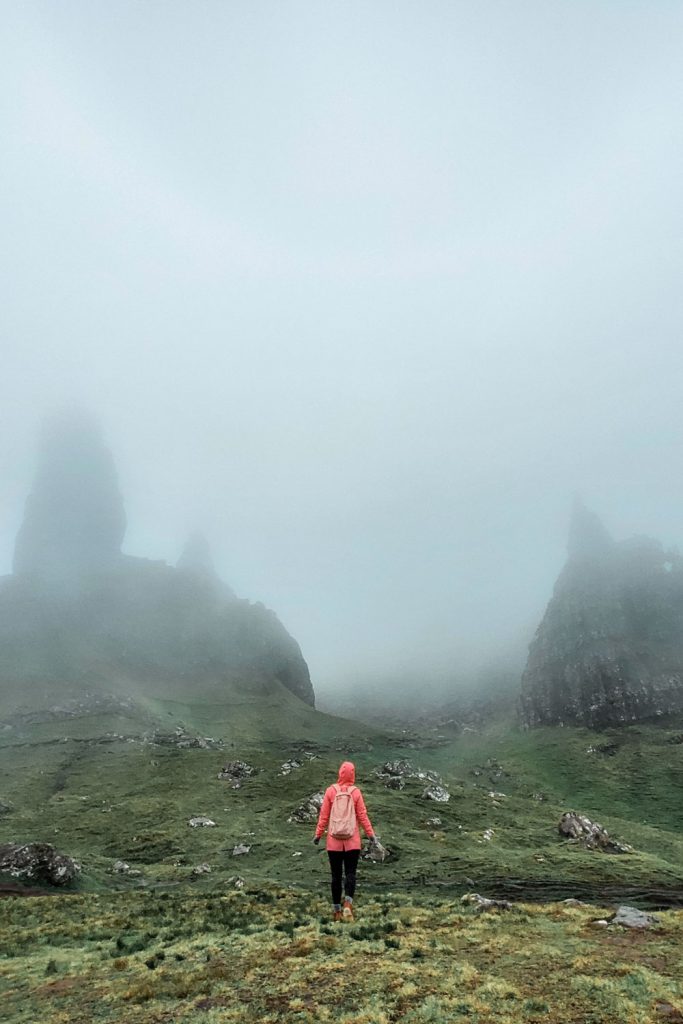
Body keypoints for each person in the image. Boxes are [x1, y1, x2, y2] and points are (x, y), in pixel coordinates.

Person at [313, 760, 379, 922]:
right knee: (350, 873)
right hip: (352, 842)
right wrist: (371, 835)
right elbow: (362, 816)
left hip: (333, 842)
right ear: (353, 774)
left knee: (336, 876)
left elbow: (324, 816)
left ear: (340, 773)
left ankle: (336, 911)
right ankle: (348, 904)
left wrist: (318, 834)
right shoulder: (356, 792)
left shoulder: (330, 791)